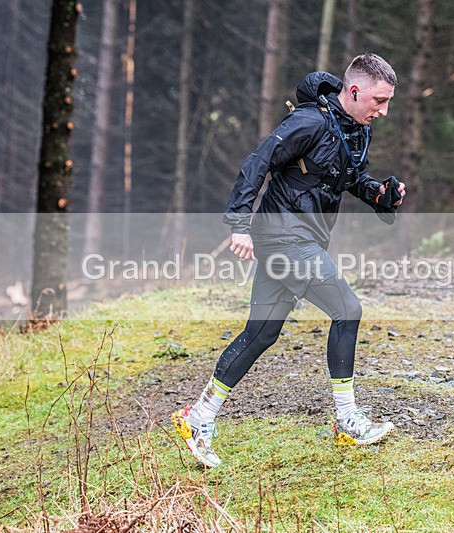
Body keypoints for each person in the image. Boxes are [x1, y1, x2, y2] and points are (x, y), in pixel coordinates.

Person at [172, 53, 406, 468]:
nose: (384, 110)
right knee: (348, 310)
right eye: (379, 100)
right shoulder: (309, 122)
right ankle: (348, 421)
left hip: (300, 237)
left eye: (388, 101)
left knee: (261, 334)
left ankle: (198, 417)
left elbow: (350, 177)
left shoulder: (352, 129)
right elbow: (256, 163)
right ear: (353, 91)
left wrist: (379, 194)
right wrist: (239, 224)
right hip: (283, 237)